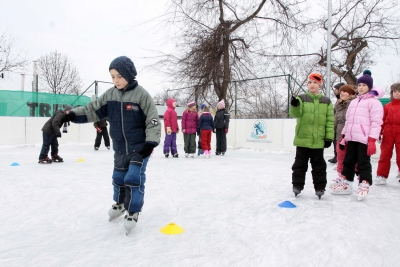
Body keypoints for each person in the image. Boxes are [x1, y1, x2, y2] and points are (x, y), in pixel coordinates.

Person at [66, 56, 161, 234]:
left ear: (129, 75)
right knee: (118, 177)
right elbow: (91, 110)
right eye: (112, 76)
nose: (115, 80)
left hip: (139, 148)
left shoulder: (142, 95)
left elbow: (153, 120)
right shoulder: (110, 95)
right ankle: (120, 204)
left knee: (133, 178)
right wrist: (72, 115)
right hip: (119, 146)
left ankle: (132, 210)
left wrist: (150, 143)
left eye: (119, 76)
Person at [332, 70, 384, 201]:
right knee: (348, 161)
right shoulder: (354, 102)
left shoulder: (374, 103)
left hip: (364, 139)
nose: (361, 87)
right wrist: (344, 136)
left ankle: (364, 184)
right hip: (351, 137)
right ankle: (347, 184)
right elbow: (348, 120)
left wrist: (372, 140)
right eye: (359, 85)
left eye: (364, 85)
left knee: (363, 162)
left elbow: (376, 122)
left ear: (369, 87)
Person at [289, 72, 334, 199]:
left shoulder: (326, 101)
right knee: (299, 165)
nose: (312, 85)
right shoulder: (301, 98)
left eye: (315, 82)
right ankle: (297, 185)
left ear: (320, 84)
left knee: (319, 166)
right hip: (303, 139)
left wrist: (329, 137)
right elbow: (296, 114)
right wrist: (295, 105)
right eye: (310, 82)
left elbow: (330, 121)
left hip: (318, 141)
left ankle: (320, 187)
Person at [329, 84, 357, 187]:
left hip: (350, 134)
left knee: (351, 158)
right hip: (339, 134)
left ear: (350, 94)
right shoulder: (338, 104)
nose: (342, 94)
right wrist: (333, 132)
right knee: (340, 156)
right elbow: (336, 119)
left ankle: (354, 177)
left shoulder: (354, 104)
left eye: (344, 92)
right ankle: (341, 176)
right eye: (340, 92)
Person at [375, 83, 400, 185]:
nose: (397, 93)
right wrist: (379, 133)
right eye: (394, 92)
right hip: (388, 132)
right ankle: (382, 175)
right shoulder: (387, 107)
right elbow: (382, 120)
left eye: (398, 91)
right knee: (385, 154)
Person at [328, 82, 345, 164]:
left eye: (336, 89)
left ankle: (339, 157)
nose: (335, 91)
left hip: (341, 125)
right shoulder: (338, 100)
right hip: (336, 124)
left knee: (339, 142)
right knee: (335, 141)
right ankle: (336, 156)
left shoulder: (344, 100)